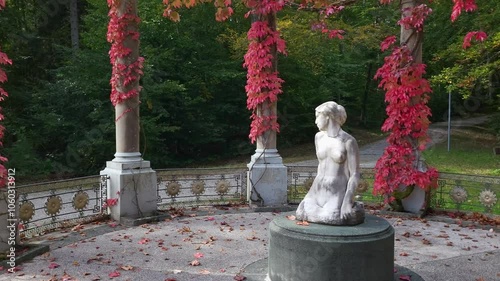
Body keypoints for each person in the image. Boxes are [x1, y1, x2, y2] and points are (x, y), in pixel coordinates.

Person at [296, 101, 364, 225]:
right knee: (301, 213)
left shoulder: (348, 141)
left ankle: (354, 207)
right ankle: (354, 209)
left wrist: (347, 201)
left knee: (331, 218)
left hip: (337, 191)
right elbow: (320, 166)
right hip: (318, 189)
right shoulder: (319, 137)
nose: (316, 121)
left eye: (318, 116)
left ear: (328, 116)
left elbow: (354, 173)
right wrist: (310, 193)